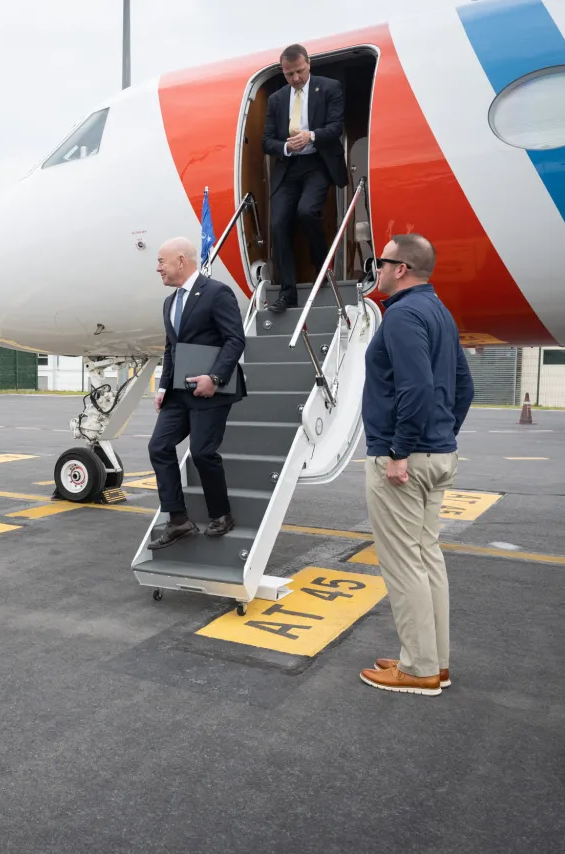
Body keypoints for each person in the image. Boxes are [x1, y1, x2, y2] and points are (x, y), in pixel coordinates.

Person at [359, 234, 474, 696]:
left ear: (400, 268)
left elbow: (416, 387)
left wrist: (401, 450)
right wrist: (441, 438)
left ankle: (419, 668)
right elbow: (462, 386)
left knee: (404, 565)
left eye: (380, 262)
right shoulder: (438, 311)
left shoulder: (403, 314)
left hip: (403, 458)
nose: (376, 270)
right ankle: (434, 661)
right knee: (427, 559)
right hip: (438, 453)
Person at [146, 237, 247, 550]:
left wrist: (215, 377)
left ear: (180, 260)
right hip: (179, 391)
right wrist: (163, 386)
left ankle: (222, 514)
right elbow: (170, 348)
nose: (158, 268)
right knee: (159, 446)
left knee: (203, 452)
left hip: (210, 390)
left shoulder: (217, 293)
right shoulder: (169, 302)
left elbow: (235, 340)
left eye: (162, 261)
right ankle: (178, 520)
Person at [262, 43, 348, 314]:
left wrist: (310, 136)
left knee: (306, 212)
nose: (296, 78)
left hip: (318, 162)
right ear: (283, 71)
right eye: (289, 74)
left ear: (308, 63)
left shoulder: (330, 87)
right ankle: (287, 293)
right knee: (278, 224)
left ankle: (320, 266)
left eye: (299, 71)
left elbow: (336, 127)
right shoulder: (276, 99)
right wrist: (287, 146)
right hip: (289, 166)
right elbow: (266, 141)